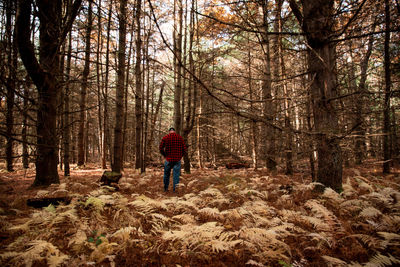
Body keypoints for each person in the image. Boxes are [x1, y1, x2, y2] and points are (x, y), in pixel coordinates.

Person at [159, 127, 187, 192]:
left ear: (169, 131)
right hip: (177, 159)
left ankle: (165, 189)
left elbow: (160, 148)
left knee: (166, 174)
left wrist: (165, 155)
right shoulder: (179, 138)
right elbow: (184, 149)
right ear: (174, 131)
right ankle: (175, 190)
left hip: (168, 159)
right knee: (176, 175)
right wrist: (180, 156)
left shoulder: (165, 138)